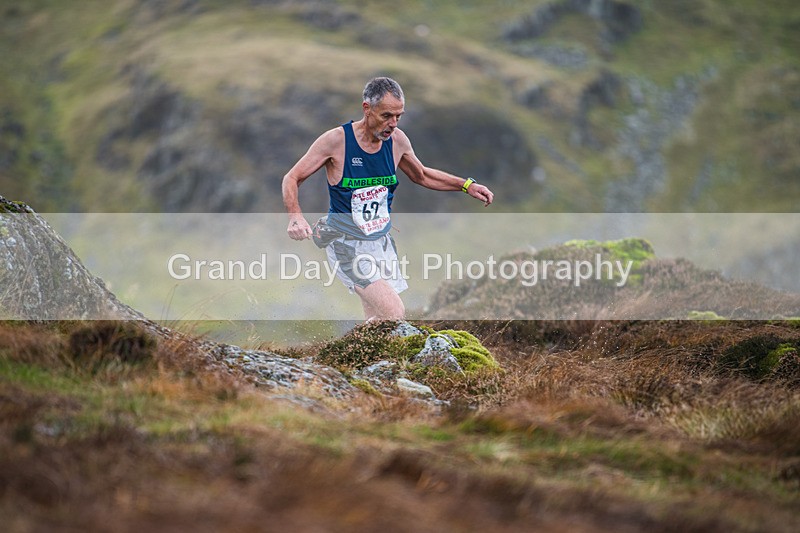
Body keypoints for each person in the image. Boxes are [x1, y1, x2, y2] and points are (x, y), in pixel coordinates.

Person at [282, 77, 494, 321]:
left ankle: (350, 357)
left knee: (379, 321)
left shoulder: (397, 141)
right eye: (386, 116)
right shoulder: (336, 141)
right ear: (367, 109)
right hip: (346, 244)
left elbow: (422, 175)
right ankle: (345, 352)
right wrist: (295, 216)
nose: (393, 123)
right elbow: (292, 177)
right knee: (394, 313)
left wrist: (466, 185)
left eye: (398, 116)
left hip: (381, 244)